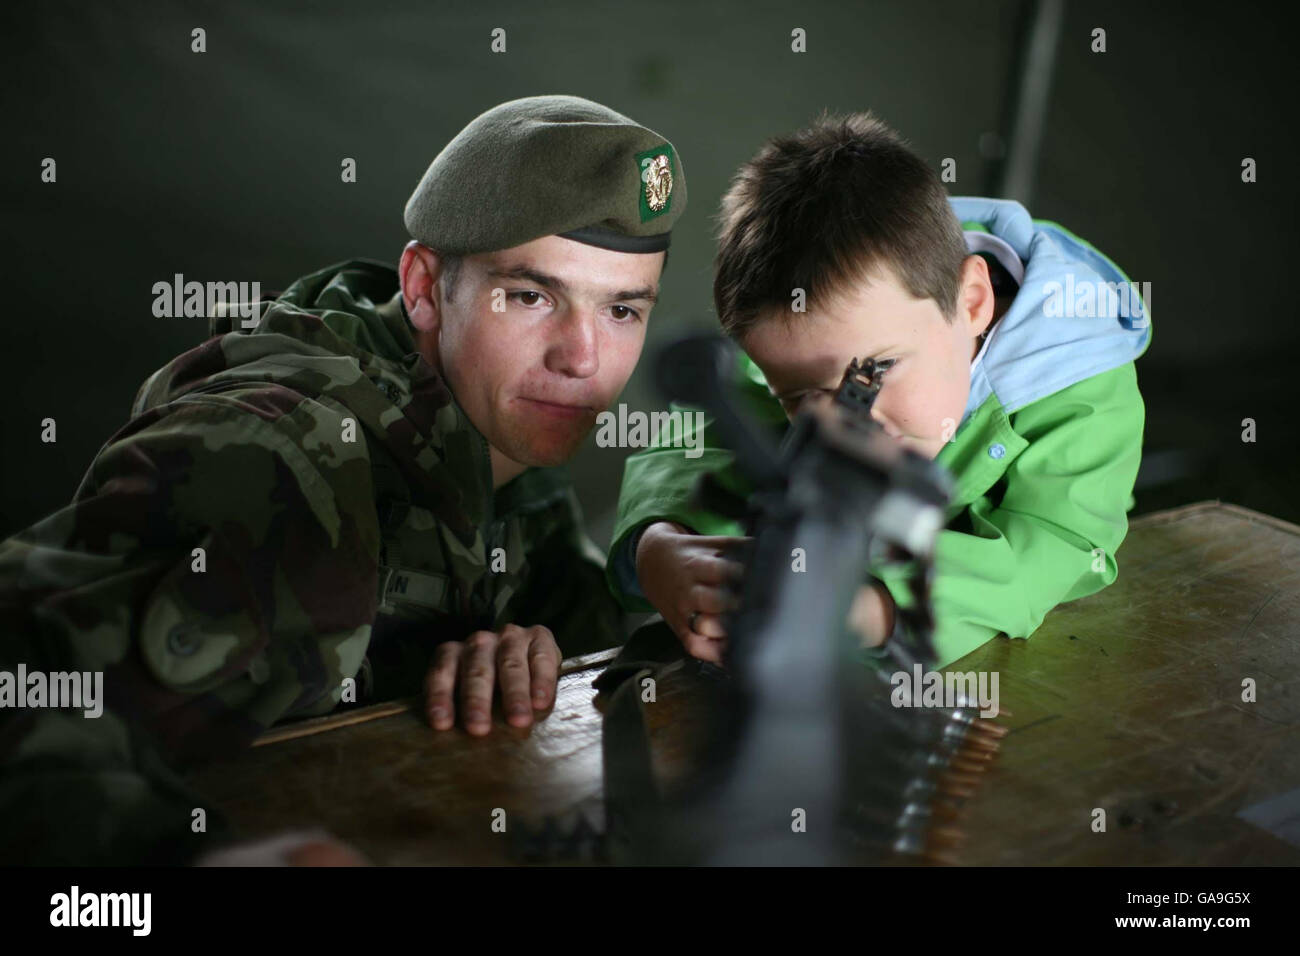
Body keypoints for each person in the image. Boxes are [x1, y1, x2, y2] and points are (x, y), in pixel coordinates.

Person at [0, 94, 687, 864]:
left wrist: (527, 648)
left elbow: (598, 659)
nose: (583, 358)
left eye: (623, 310)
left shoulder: (503, 455)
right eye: (531, 296)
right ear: (425, 287)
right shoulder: (280, 459)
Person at [607, 110, 1149, 669]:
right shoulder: (822, 334)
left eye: (875, 373)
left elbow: (1055, 545)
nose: (849, 422)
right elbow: (693, 442)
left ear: (972, 302)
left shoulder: (1083, 384)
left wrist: (873, 609)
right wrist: (662, 547)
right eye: (797, 397)